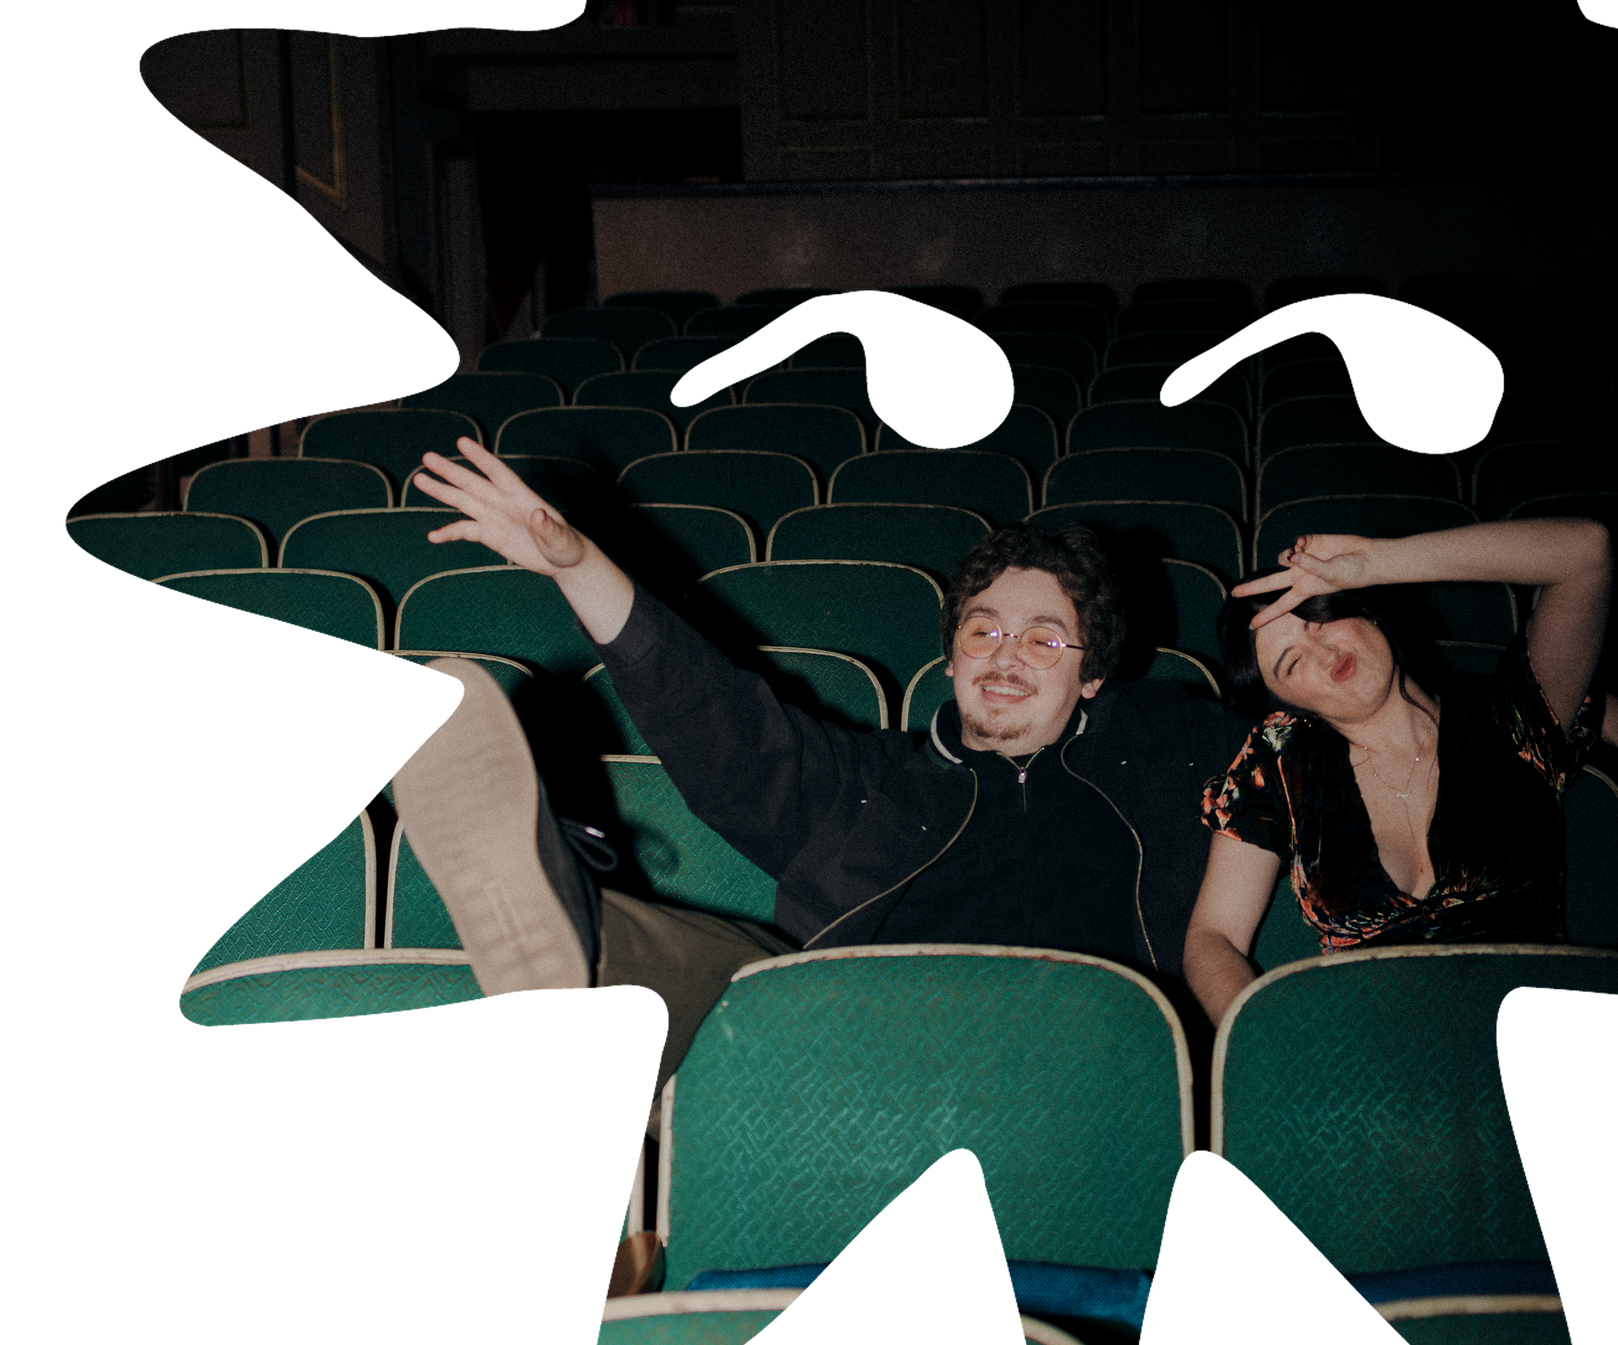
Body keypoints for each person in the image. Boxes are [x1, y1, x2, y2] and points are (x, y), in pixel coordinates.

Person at [388, 439, 1253, 1147]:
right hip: (857, 1058)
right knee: (750, 978)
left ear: (1095, 675)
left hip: (1084, 1057)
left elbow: (1322, 738)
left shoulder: (1169, 752)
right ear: (949, 658)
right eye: (983, 630)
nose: (1006, 655)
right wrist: (577, 566)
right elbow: (719, 720)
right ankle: (570, 941)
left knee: (764, 1000)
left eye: (1045, 640)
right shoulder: (872, 779)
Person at [1182, 524, 1618, 1027]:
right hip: (1374, 1070)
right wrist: (1273, 1055)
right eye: (1292, 664)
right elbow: (1212, 939)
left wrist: (1375, 564)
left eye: (1319, 619)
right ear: (1287, 701)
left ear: (1362, 606)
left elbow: (1587, 551)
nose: (1324, 654)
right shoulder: (1282, 765)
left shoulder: (1512, 720)